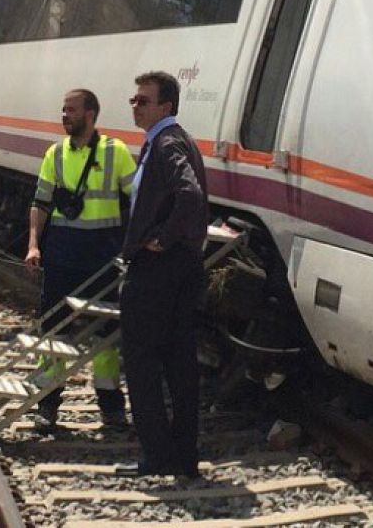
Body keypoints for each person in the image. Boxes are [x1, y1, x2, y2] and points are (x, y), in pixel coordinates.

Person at [25, 89, 138, 432]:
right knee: (54, 329)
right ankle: (47, 404)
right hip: (62, 253)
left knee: (105, 335)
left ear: (90, 114)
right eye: (63, 110)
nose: (64, 116)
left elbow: (138, 199)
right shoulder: (55, 154)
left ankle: (110, 406)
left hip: (102, 255)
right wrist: (33, 244)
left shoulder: (115, 152)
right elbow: (40, 203)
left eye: (70, 110)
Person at [117, 71, 210, 478]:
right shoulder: (175, 139)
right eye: (134, 100)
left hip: (158, 270)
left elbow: (190, 195)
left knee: (140, 360)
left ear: (165, 106)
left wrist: (162, 238)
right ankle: (184, 457)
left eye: (142, 100)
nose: (134, 106)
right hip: (182, 267)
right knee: (179, 361)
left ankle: (156, 454)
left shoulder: (167, 142)